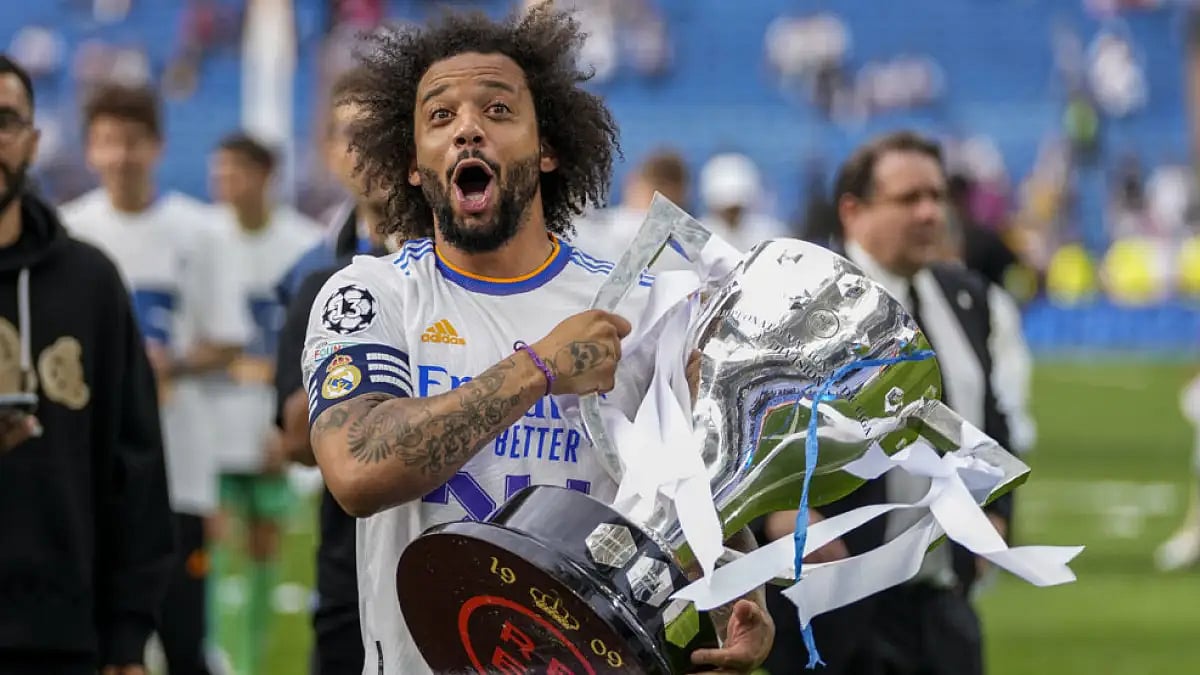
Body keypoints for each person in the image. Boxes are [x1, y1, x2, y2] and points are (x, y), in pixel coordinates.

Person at [301, 7, 774, 674]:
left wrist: (740, 601)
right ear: (412, 163)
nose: (468, 127)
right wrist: (538, 369)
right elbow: (357, 468)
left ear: (547, 146)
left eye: (498, 109)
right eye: (440, 116)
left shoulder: (637, 305)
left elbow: (698, 496)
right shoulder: (371, 295)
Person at [61, 83, 252, 675]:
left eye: (133, 141)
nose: (121, 155)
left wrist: (167, 364)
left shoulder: (200, 231)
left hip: (179, 467)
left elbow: (227, 340)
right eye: (108, 141)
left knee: (182, 635)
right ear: (90, 149)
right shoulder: (70, 230)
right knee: (91, 642)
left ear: (158, 146)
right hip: (92, 467)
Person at [0, 54, 174, 675]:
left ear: (33, 140)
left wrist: (128, 633)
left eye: (5, 121)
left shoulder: (89, 281)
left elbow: (138, 463)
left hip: (63, 632)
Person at [830, 131, 1015, 675]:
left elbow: (991, 416)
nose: (930, 213)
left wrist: (999, 512)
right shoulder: (809, 303)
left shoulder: (965, 295)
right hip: (841, 608)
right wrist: (778, 524)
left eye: (937, 197)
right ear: (852, 211)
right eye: (909, 199)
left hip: (942, 602)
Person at [274, 66, 392, 675]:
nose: (364, 148)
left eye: (378, 130)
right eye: (349, 133)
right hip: (351, 570)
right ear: (325, 152)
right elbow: (296, 440)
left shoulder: (468, 266)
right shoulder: (314, 277)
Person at [205, 132, 321, 675]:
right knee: (210, 548)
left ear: (265, 175)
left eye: (234, 171)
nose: (223, 182)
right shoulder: (205, 239)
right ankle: (218, 655)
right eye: (218, 171)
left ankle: (251, 660)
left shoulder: (300, 245)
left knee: (263, 547)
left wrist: (285, 420)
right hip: (209, 421)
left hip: (269, 420)